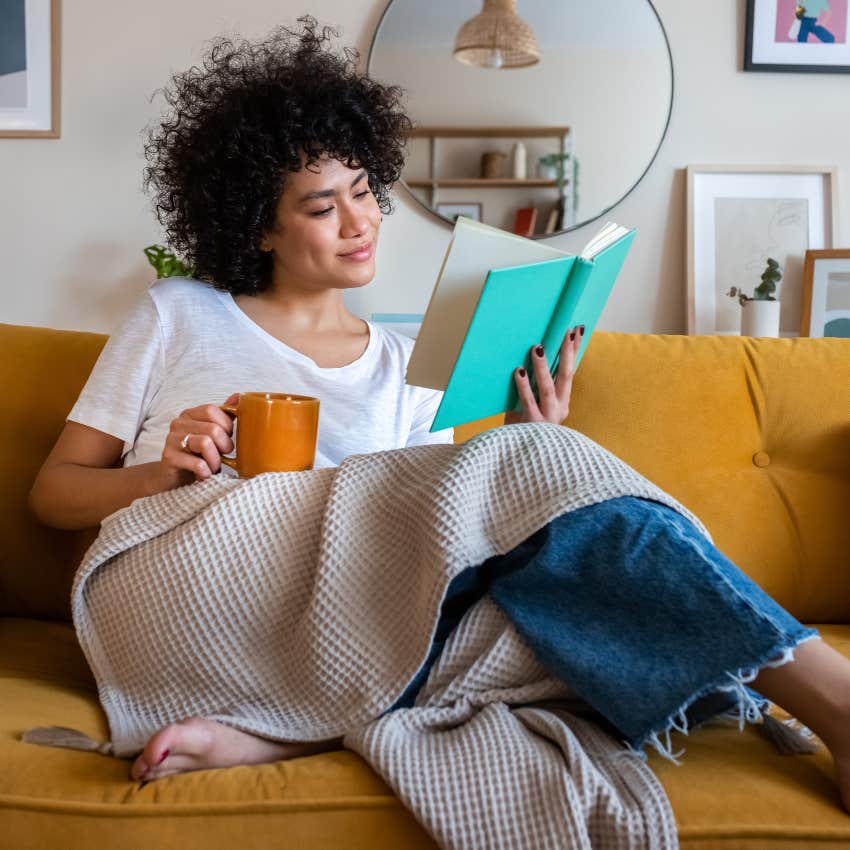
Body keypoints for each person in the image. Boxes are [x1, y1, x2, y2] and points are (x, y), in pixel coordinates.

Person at [27, 18, 850, 811]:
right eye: (322, 207)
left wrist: (533, 444)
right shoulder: (178, 314)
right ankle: (839, 703)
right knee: (557, 569)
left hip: (337, 626)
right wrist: (159, 477)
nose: (361, 222)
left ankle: (287, 729)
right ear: (258, 226)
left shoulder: (410, 364)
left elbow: (430, 559)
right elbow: (53, 495)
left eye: (364, 192)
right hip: (187, 589)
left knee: (553, 610)